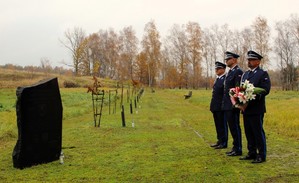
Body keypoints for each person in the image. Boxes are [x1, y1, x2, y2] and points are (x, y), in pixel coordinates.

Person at [239, 50, 271, 163]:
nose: (249, 61)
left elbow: (265, 89)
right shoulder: (246, 74)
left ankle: (261, 155)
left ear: (258, 61)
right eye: (248, 60)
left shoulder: (262, 74)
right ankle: (251, 152)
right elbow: (241, 88)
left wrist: (252, 95)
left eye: (252, 60)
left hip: (256, 108)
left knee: (257, 132)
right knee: (248, 131)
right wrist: (240, 98)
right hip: (246, 108)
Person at [222, 51, 243, 156]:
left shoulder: (238, 72)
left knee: (235, 126)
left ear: (234, 59)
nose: (226, 61)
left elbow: (238, 89)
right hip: (227, 104)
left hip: (233, 105)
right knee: (231, 126)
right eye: (226, 59)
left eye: (228, 59)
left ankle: (238, 148)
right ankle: (235, 147)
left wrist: (236, 104)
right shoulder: (230, 72)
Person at [210, 61, 228, 149]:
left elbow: (224, 94)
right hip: (215, 106)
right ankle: (219, 140)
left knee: (222, 125)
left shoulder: (225, 79)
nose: (216, 70)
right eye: (216, 68)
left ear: (223, 69)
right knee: (218, 124)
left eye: (218, 68)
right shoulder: (217, 79)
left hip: (221, 106)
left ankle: (224, 142)